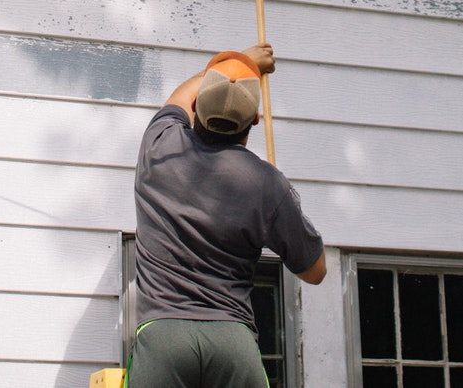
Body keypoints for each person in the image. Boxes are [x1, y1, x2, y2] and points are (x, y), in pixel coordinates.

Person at [128, 43, 326, 388]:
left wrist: (243, 61)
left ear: (194, 108)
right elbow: (315, 271)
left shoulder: (160, 144)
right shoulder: (266, 183)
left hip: (163, 337)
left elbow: (181, 94)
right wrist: (277, 210)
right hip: (231, 341)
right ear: (254, 119)